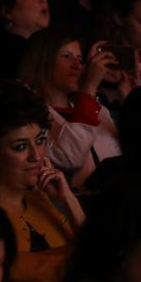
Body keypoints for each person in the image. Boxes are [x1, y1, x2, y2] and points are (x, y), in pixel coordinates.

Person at [0, 79, 85, 282]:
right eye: (20, 146)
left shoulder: (45, 197)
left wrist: (69, 200)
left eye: (40, 141)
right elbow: (4, 272)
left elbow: (102, 256)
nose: (36, 156)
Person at [18, 28, 121, 189]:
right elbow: (70, 157)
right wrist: (88, 88)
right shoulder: (28, 114)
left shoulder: (99, 110)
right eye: (66, 56)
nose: (77, 65)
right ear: (42, 60)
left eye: (80, 59)